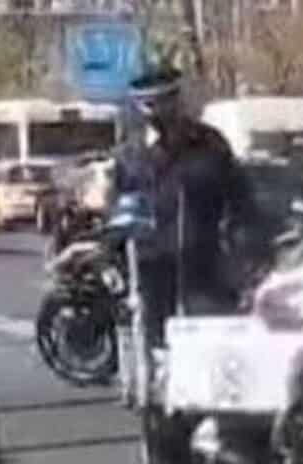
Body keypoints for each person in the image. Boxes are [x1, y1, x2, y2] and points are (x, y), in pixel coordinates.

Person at [111, 66, 268, 349]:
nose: (155, 114)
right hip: (152, 272)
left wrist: (247, 251)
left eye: (163, 103)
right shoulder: (130, 154)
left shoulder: (210, 145)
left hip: (205, 269)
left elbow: (241, 202)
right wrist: (116, 257)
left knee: (207, 346)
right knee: (156, 347)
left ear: (176, 101)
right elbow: (119, 213)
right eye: (147, 106)